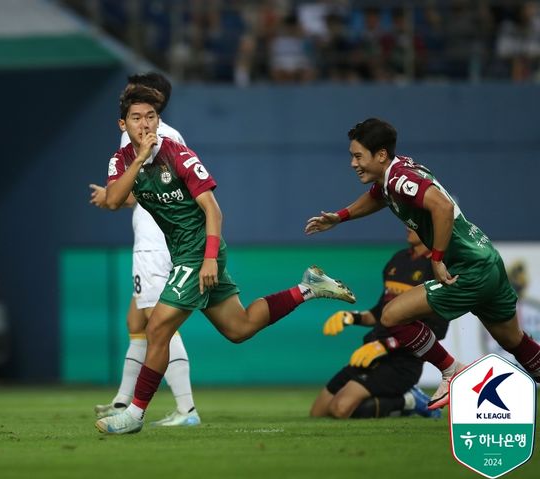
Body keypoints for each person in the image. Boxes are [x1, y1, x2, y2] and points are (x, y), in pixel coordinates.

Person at [96, 84, 356, 435]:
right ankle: (307, 288)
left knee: (156, 327)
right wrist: (140, 158)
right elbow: (112, 201)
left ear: (160, 121)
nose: (145, 125)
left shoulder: (180, 156)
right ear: (122, 125)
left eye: (151, 117)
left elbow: (213, 211)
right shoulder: (122, 160)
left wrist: (208, 260)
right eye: (136, 118)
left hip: (201, 250)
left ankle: (134, 414)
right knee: (240, 328)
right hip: (183, 254)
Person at [305, 118, 540, 410]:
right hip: (487, 260)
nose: (353, 163)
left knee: (392, 315)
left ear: (380, 155)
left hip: (469, 268)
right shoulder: (394, 176)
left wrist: (438, 259)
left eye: (358, 156)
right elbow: (377, 197)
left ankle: (452, 371)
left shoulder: (399, 178)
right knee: (514, 341)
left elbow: (443, 206)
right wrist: (340, 217)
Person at [89, 72, 200, 427]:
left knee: (159, 323)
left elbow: (160, 190)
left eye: (138, 97)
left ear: (155, 102)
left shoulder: (159, 136)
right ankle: (123, 400)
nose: (129, 97)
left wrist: (112, 196)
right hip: (151, 234)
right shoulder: (137, 133)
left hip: (157, 239)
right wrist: (115, 194)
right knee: (136, 320)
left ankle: (187, 409)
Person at [310, 228, 448, 419]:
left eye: (414, 223)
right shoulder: (398, 260)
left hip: (402, 363)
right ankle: (400, 399)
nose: (408, 226)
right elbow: (379, 313)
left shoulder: (438, 268)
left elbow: (437, 330)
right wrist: (351, 317)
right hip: (369, 355)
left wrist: (385, 345)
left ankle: (409, 400)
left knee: (339, 409)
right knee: (318, 413)